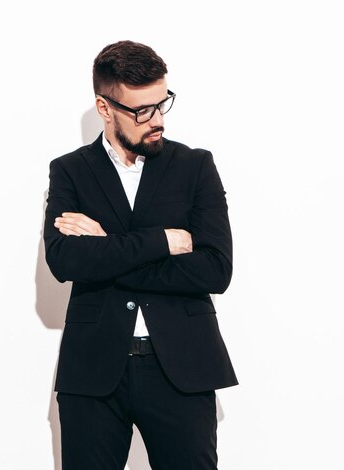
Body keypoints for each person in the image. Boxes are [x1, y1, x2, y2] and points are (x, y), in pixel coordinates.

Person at [43, 40, 238, 470]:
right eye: (141, 111)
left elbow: (214, 269)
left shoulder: (195, 166)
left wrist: (106, 246)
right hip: (93, 371)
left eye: (162, 104)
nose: (157, 120)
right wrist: (160, 241)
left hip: (183, 368)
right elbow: (64, 262)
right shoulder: (70, 171)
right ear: (105, 107)